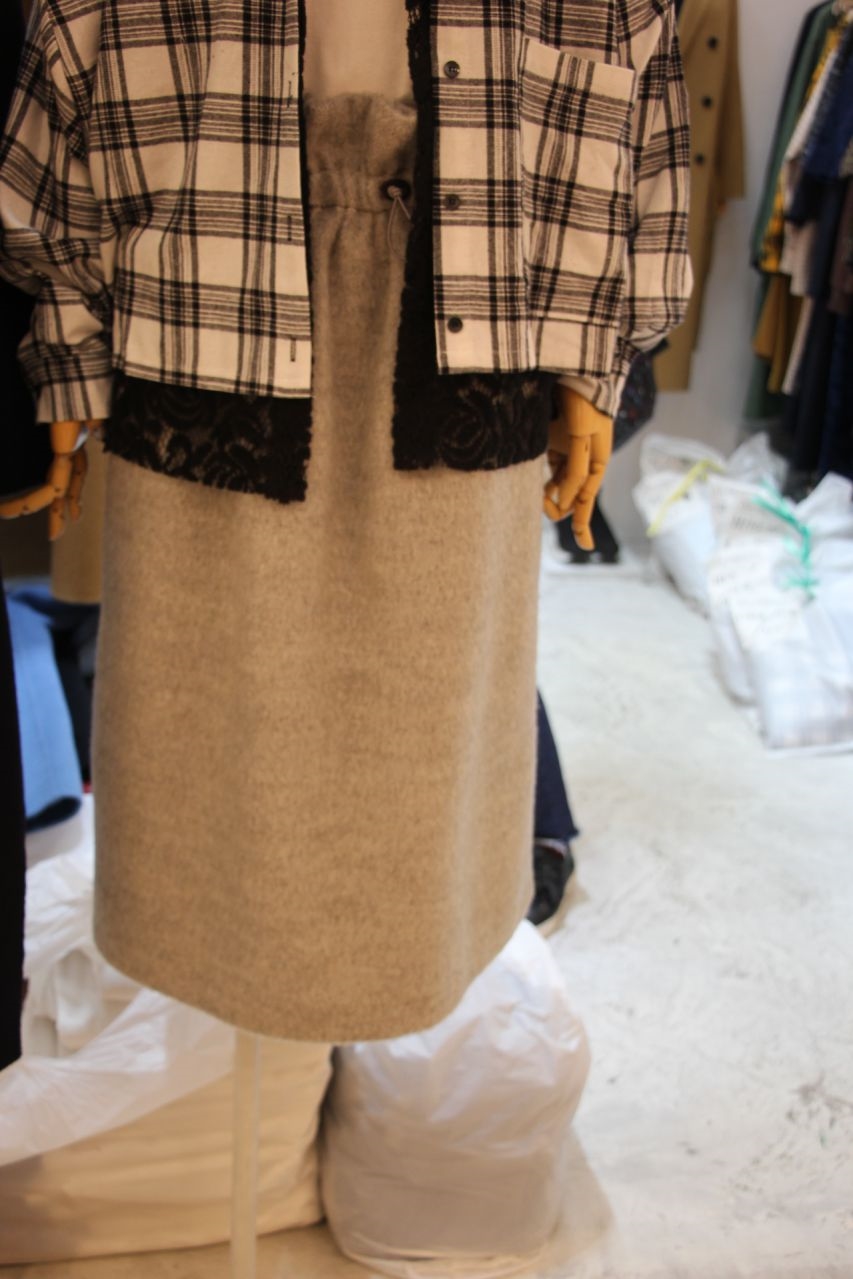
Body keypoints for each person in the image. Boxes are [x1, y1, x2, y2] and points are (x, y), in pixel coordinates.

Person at [0, 1, 691, 1043]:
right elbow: (59, 101)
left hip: (475, 318)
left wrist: (594, 353)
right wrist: (67, 348)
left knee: (427, 720)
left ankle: (387, 983)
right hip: (195, 305)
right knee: (204, 704)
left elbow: (634, 101)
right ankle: (207, 968)